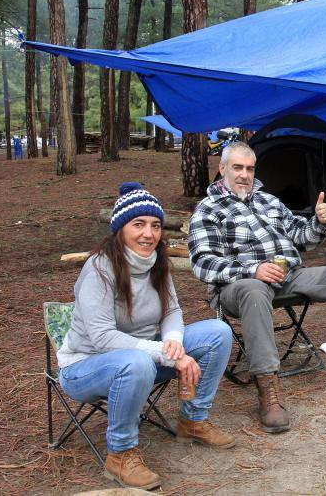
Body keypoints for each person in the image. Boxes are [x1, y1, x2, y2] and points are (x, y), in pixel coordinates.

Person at [187, 142, 326, 434]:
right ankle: (268, 388)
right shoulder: (208, 209)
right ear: (222, 169)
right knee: (253, 289)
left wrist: (319, 221)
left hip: (287, 277)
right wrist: (252, 270)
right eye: (237, 167)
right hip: (239, 286)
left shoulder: (268, 201)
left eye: (249, 168)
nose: (244, 174)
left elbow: (301, 237)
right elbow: (202, 263)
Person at [57, 182, 235, 490]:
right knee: (136, 362)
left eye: (155, 225)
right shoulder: (99, 269)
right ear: (121, 229)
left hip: (143, 358)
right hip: (87, 367)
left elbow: (171, 312)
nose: (148, 234)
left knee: (218, 332)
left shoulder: (157, 263)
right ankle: (121, 454)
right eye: (138, 224)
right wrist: (168, 355)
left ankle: (192, 420)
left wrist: (176, 343)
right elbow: (102, 339)